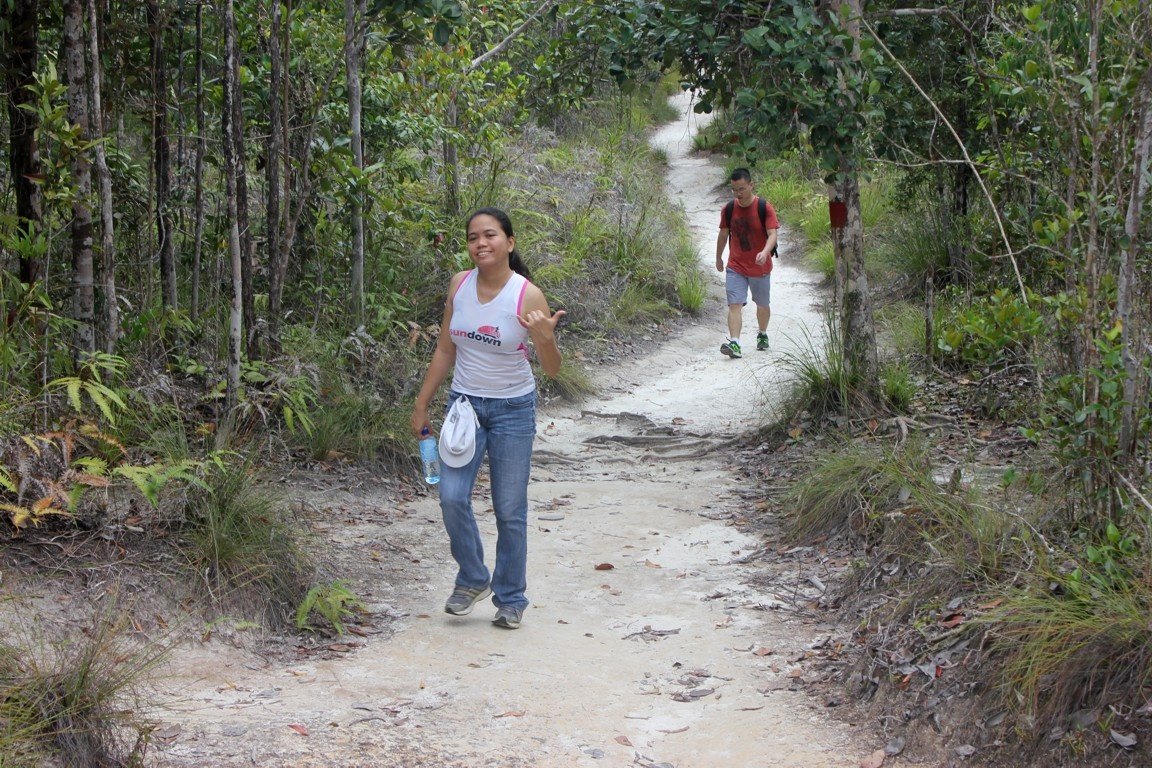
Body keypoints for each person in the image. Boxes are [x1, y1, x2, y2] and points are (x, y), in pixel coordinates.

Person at [411, 207, 565, 630]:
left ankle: (511, 597)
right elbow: (446, 347)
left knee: (509, 509)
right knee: (451, 496)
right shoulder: (459, 284)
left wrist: (544, 338)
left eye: (491, 235)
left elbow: (551, 368)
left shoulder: (526, 295)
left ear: (509, 243)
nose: (481, 243)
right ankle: (473, 576)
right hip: (464, 408)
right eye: (473, 237)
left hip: (512, 410)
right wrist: (422, 404)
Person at [715, 167, 779, 359]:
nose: (738, 194)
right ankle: (734, 343)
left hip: (760, 267)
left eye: (742, 189)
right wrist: (718, 257)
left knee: (762, 304)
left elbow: (773, 234)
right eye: (734, 190)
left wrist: (765, 252)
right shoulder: (728, 209)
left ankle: (762, 333)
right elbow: (724, 233)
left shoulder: (764, 207)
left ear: (751, 185)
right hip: (736, 266)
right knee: (734, 304)